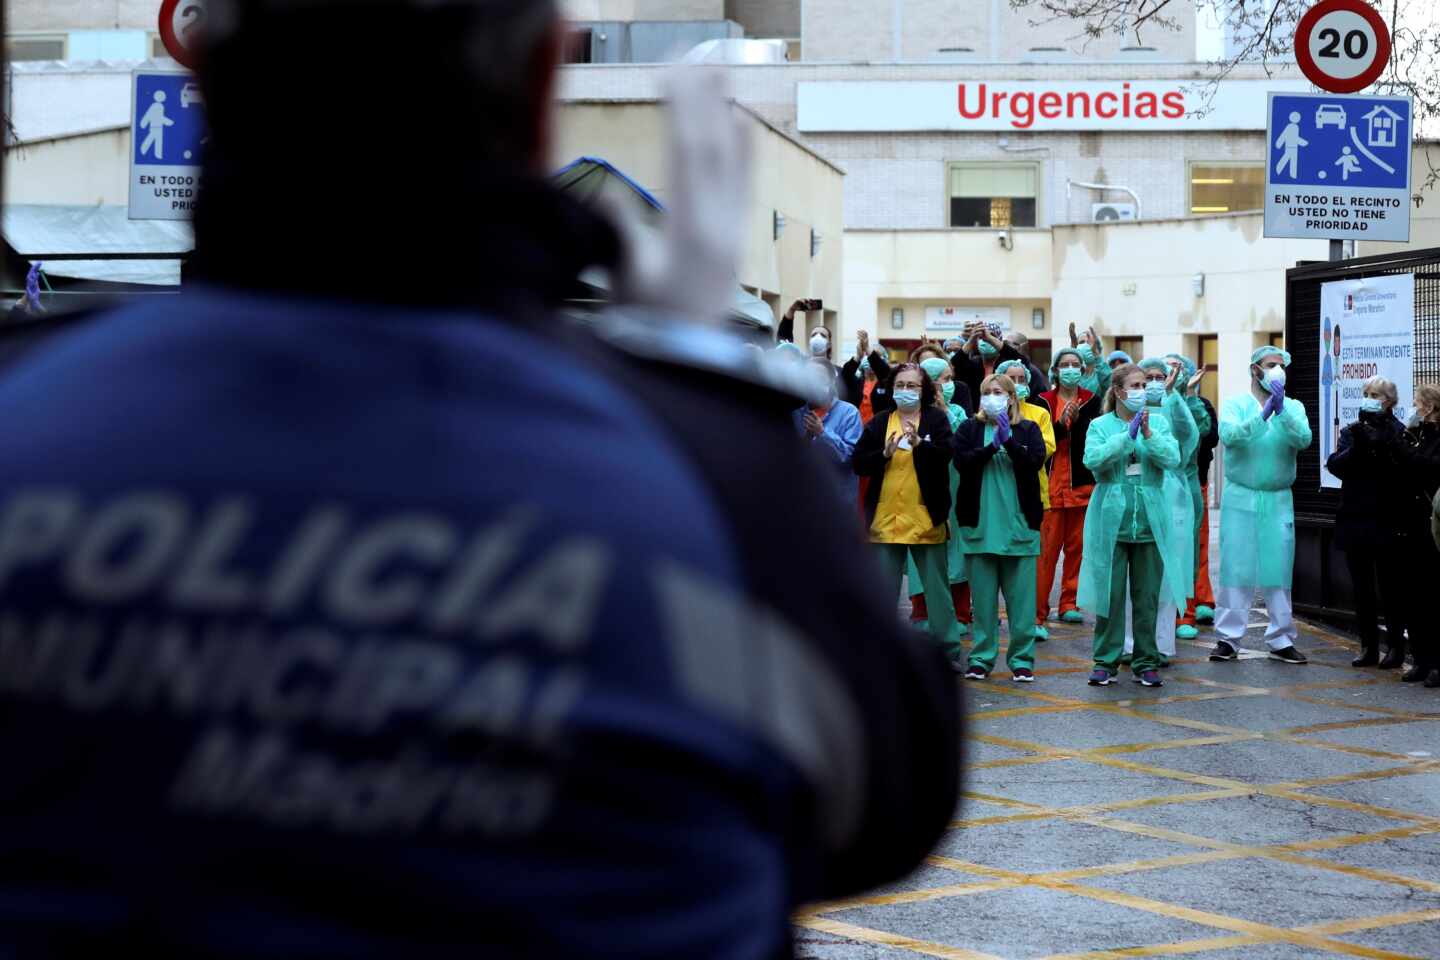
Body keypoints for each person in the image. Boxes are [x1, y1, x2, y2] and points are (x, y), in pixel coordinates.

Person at [0, 4, 962, 954]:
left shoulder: (24, 400)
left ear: (203, 77)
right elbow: (887, 803)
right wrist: (707, 399)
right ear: (545, 78)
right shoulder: (708, 482)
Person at [1078, 364, 1187, 688]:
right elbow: (1093, 460)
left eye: (1145, 383)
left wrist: (1149, 436)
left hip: (1150, 518)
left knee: (1147, 595)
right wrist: (1127, 437)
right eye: (1136, 385)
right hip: (1112, 518)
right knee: (1109, 594)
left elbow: (1172, 458)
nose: (1142, 389)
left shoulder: (1160, 422)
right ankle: (1105, 660)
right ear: (1120, 391)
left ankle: (1145, 660)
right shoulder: (1100, 425)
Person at [854, 363, 965, 667]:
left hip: (925, 518)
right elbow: (859, 462)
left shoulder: (936, 420)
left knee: (937, 591)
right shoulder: (879, 423)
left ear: (924, 389)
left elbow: (946, 454)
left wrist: (920, 445)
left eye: (913, 386)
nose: (906, 390)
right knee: (882, 590)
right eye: (900, 385)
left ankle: (948, 650)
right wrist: (884, 455)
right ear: (892, 389)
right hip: (885, 518)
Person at [1212, 347, 1312, 664]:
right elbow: (1229, 435)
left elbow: (1304, 439)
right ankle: (1228, 638)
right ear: (1255, 370)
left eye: (1281, 366)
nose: (1277, 371)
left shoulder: (1293, 407)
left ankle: (1281, 638)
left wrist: (1281, 413)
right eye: (1271, 366)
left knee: (1278, 567)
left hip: (1278, 497)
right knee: (1236, 565)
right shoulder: (1236, 404)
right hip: (1241, 495)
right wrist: (1262, 415)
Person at [953, 375, 1048, 681]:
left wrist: (1008, 441)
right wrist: (991, 446)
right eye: (986, 393)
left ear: (1010, 397)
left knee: (1022, 603)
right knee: (982, 602)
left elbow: (1034, 462)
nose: (992, 397)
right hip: (980, 526)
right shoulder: (969, 428)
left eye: (998, 392)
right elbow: (962, 462)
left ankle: (1021, 659)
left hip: (1019, 526)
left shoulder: (1028, 429)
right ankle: (981, 658)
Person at [1326, 376, 1410, 669]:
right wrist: (1359, 447)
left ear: (1388, 401)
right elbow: (1336, 465)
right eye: (1365, 393)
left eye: (1374, 394)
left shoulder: (1399, 431)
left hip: (1388, 518)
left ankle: (1396, 647)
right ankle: (1367, 646)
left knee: (1391, 588)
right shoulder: (1353, 432)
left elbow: (1404, 470)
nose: (1368, 398)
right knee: (1361, 588)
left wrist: (1383, 443)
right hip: (1356, 517)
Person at [1120, 358, 1196, 667]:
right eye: (1144, 379)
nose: (1151, 384)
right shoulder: (1121, 416)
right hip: (1133, 501)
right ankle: (1129, 644)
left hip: (1171, 497)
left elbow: (1189, 436)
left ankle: (1162, 644)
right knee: (1132, 579)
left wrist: (1173, 395)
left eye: (1157, 377)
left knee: (1166, 573)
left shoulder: (1172, 412)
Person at [905, 357, 970, 636]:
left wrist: (945, 410)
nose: (948, 384)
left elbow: (963, 442)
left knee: (956, 548)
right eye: (941, 379)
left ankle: (961, 613)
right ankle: (921, 609)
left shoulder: (958, 412)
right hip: (920, 489)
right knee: (921, 545)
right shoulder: (912, 411)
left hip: (955, 489)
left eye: (950, 377)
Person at [1037, 347, 1100, 630]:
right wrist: (1061, 425)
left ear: (1084, 370)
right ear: (1055, 370)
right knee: (1045, 553)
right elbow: (1040, 440)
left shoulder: (1093, 401)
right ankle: (1038, 609)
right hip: (1050, 487)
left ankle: (1069, 603)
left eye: (1076, 364)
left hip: (1082, 487)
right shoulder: (1042, 401)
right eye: (1065, 364)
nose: (1071, 368)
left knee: (1077, 550)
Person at [998, 359, 1057, 639]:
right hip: (996, 499)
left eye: (1022, 379)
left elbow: (1045, 448)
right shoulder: (988, 414)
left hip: (1033, 496)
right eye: (1012, 379)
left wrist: (1015, 446)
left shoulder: (1038, 414)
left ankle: (1035, 618)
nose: (1018, 385)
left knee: (1035, 563)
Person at [1393, 384, 1440, 686]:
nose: (1413, 409)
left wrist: (1406, 447)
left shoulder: (1434, 438)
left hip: (1432, 525)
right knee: (1413, 596)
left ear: (1430, 407)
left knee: (1433, 597)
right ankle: (1421, 660)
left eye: (1417, 404)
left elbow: (1423, 466)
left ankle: (1436, 663)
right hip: (1410, 523)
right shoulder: (1415, 434)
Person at [1175, 356, 1220, 633]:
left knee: (1196, 546)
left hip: (1194, 482)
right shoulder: (1151, 404)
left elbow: (1208, 436)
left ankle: (1197, 603)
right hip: (1163, 485)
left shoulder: (1200, 404)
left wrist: (1190, 396)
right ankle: (1179, 608)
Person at [795, 358, 865, 504]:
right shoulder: (796, 413)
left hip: (838, 501)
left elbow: (851, 458)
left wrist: (822, 433)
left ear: (832, 382)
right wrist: (806, 439)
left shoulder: (849, 413)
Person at [840, 329, 892, 418]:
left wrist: (868, 349)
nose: (869, 358)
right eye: (867, 355)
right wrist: (858, 357)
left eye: (874, 355)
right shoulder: (856, 382)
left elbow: (885, 373)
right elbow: (846, 374)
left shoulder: (885, 383)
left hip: (876, 429)